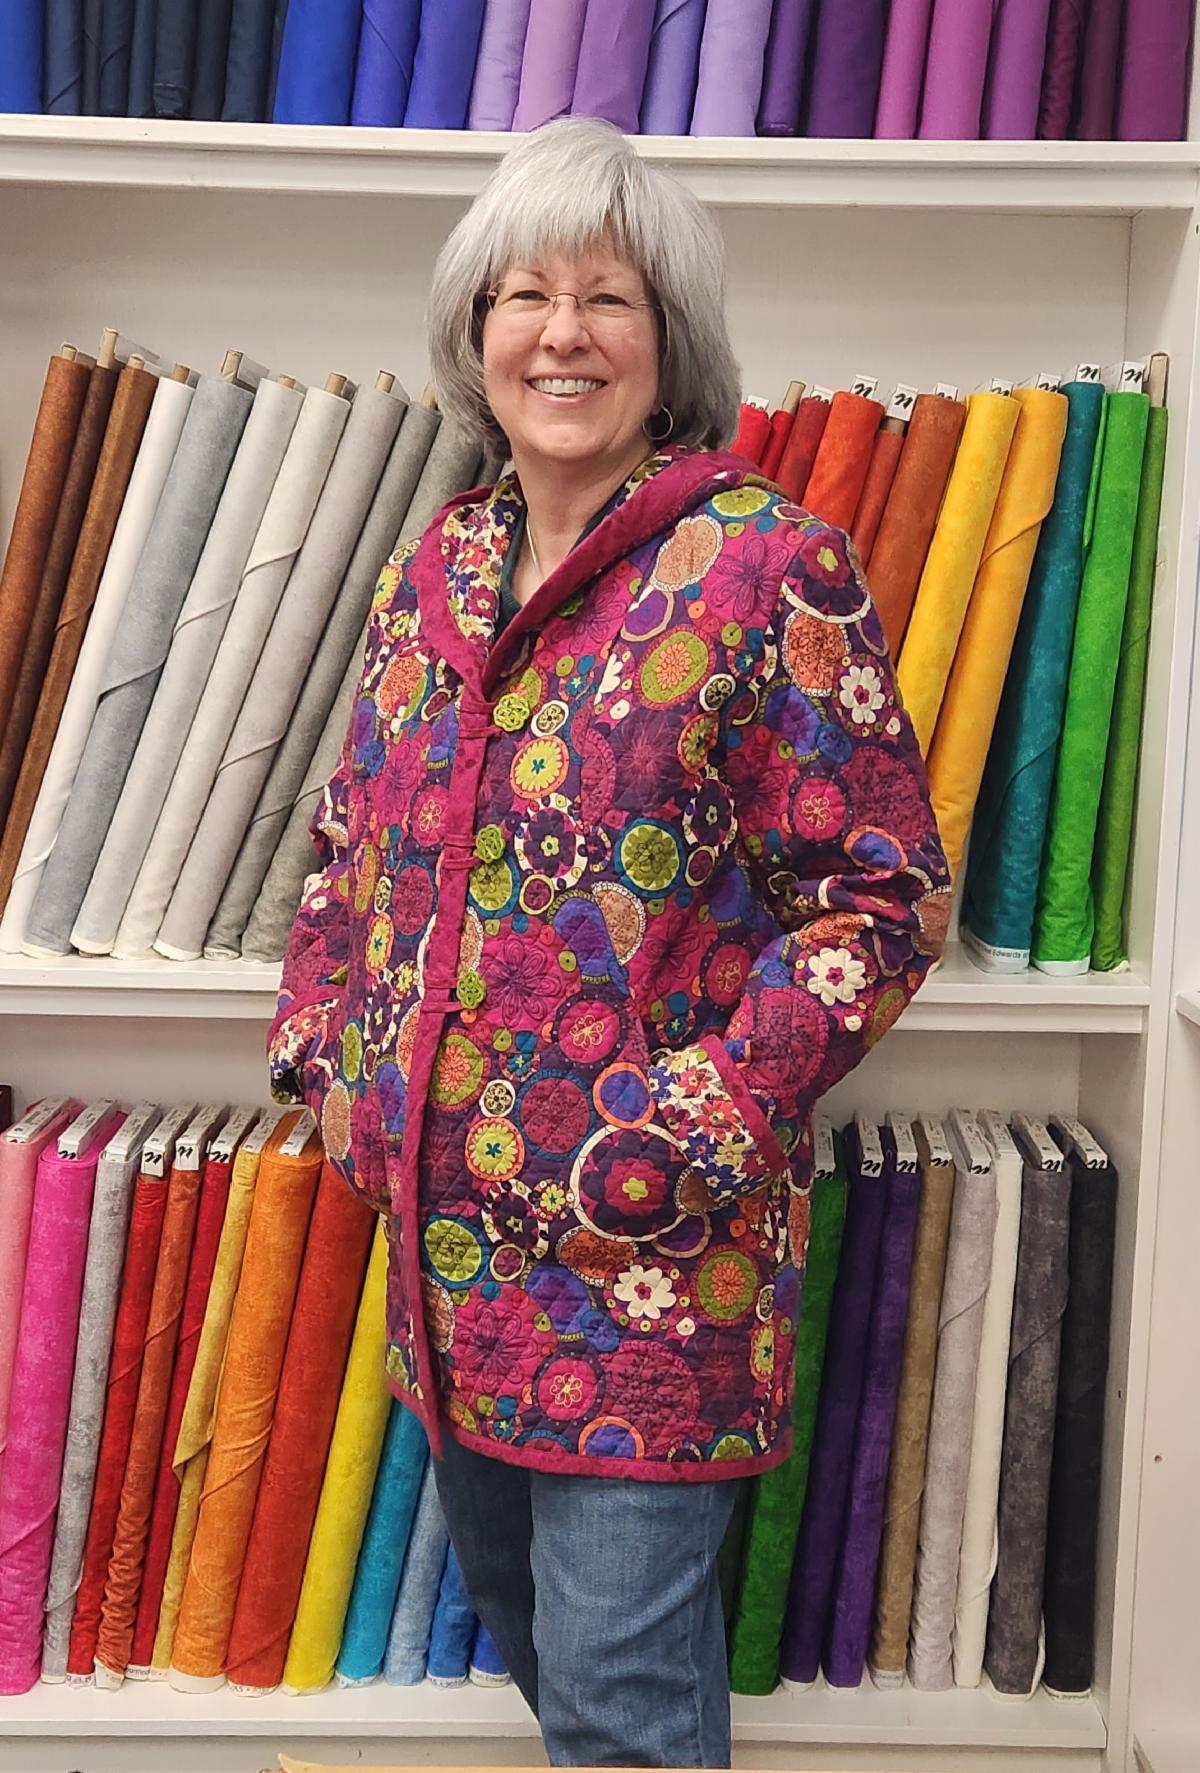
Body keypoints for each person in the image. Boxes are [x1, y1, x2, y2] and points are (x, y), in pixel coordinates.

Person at [270, 117, 950, 1768]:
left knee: (625, 1717)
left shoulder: (770, 568)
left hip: (650, 1275)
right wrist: (328, 1057)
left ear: (670, 343)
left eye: (608, 298)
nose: (561, 333)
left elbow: (884, 896)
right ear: (477, 333)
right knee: (556, 1669)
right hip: (449, 1265)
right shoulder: (437, 569)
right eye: (525, 294)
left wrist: (695, 1119)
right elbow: (353, 840)